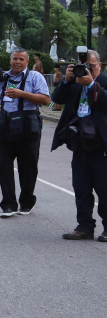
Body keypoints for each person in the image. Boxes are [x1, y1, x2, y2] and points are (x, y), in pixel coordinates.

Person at [0, 48, 50, 217]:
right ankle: (8, 205)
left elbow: (45, 99)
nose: (17, 62)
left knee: (28, 166)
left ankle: (27, 202)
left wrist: (22, 94)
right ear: (10, 60)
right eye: (15, 59)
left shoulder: (35, 77)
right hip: (6, 123)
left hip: (28, 124)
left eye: (21, 59)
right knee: (4, 165)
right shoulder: (3, 77)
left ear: (27, 61)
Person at [50, 50, 107, 241]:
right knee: (81, 187)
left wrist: (91, 84)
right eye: (83, 65)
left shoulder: (104, 81)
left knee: (104, 188)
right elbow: (57, 99)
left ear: (99, 65)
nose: (86, 69)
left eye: (90, 65)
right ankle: (84, 227)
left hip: (101, 145)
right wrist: (66, 80)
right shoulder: (74, 82)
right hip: (80, 143)